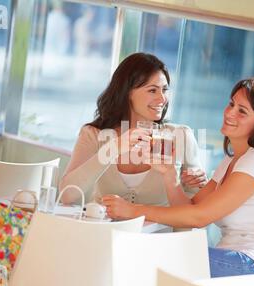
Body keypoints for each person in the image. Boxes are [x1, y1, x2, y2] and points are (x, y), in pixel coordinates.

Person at [102, 76, 254, 277]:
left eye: (242, 111)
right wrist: (170, 176)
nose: (229, 113)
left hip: (251, 265)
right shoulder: (232, 161)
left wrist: (132, 210)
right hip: (231, 258)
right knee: (141, 256)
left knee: (142, 257)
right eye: (231, 104)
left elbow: (199, 217)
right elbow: (189, 213)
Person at [60, 53, 207, 206]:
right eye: (152, 90)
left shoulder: (180, 136)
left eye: (164, 90)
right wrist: (113, 148)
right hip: (103, 229)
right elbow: (68, 196)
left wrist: (199, 184)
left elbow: (195, 210)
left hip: (158, 230)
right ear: (127, 92)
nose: (162, 99)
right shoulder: (93, 134)